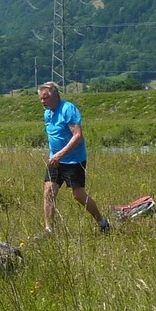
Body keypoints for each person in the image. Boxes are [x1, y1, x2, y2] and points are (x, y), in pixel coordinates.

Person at [38, 82, 110, 234]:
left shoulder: (67, 109)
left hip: (73, 160)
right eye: (41, 99)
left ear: (56, 96)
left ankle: (102, 222)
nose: (43, 101)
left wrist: (60, 154)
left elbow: (77, 136)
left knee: (78, 195)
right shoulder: (47, 113)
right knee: (48, 192)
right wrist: (54, 155)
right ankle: (49, 229)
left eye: (45, 98)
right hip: (55, 160)